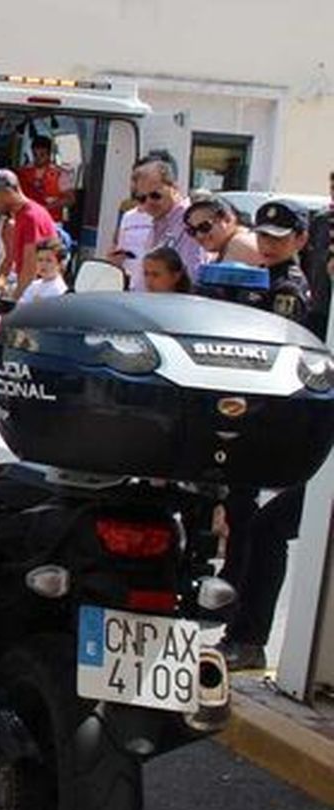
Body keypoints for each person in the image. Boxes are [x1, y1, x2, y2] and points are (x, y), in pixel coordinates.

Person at [217, 200, 316, 672]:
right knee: (248, 522)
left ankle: (249, 634)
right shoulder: (255, 279)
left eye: (280, 237)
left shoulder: (289, 289)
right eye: (264, 235)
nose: (269, 243)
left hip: (276, 420)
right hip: (262, 417)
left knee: (262, 526)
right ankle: (239, 623)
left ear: (300, 240)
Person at [130, 155, 205, 288]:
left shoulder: (189, 222)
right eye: (142, 198)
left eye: (155, 195)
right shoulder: (159, 222)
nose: (149, 203)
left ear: (174, 188)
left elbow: (192, 278)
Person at [0, 169, 58, 301]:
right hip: (34, 291)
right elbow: (11, 258)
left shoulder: (31, 217)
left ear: (5, 192)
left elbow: (30, 268)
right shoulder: (20, 216)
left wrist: (13, 300)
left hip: (40, 296)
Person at [184, 196, 261, 265]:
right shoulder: (229, 245)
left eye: (204, 227)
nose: (199, 235)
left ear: (227, 219)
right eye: (192, 230)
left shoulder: (239, 244)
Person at [17, 135, 72, 223]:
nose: (38, 159)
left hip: (52, 221)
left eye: (42, 155)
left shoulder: (61, 174)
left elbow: (70, 199)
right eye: (35, 155)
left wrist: (47, 207)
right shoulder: (23, 172)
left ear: (49, 154)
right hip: (28, 220)